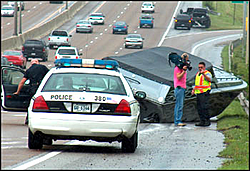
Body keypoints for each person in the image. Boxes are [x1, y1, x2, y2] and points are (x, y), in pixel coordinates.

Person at [13, 59, 49, 124]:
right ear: (38, 62)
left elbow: (22, 82)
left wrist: (17, 92)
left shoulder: (29, 70)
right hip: (42, 89)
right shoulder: (43, 67)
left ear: (31, 63)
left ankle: (28, 119)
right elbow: (49, 77)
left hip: (33, 88)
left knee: (31, 104)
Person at [191, 62, 212, 126]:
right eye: (199, 67)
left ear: (204, 67)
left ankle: (207, 121)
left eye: (201, 67)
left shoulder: (207, 73)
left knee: (204, 107)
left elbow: (209, 79)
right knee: (199, 108)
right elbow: (197, 84)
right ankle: (202, 121)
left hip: (204, 92)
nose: (200, 69)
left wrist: (204, 74)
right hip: (199, 93)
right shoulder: (198, 74)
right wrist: (193, 90)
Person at [173, 53, 189, 127]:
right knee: (179, 105)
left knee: (178, 105)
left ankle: (177, 120)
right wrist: (183, 71)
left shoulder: (181, 68)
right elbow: (178, 77)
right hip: (179, 88)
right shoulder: (178, 68)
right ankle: (177, 120)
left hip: (181, 87)